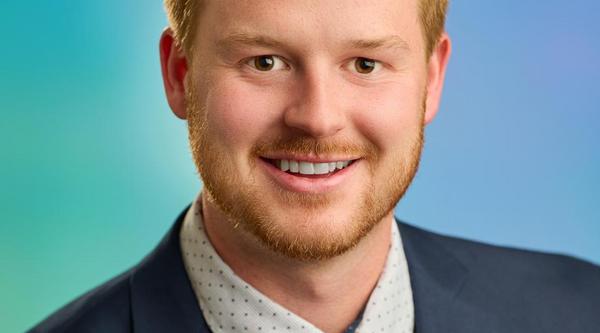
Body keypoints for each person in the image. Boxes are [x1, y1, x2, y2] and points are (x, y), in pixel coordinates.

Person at [29, 0, 600, 332]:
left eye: (366, 63)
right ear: (180, 76)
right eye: (265, 60)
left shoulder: (580, 310)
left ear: (432, 80)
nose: (318, 119)